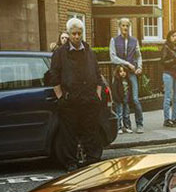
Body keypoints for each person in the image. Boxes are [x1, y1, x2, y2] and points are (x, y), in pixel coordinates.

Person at [47, 18, 104, 171]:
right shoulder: (60, 53)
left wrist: (97, 94)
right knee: (68, 134)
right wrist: (60, 97)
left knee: (90, 132)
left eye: (79, 33)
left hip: (89, 100)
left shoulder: (89, 52)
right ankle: (71, 163)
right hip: (69, 101)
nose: (77, 36)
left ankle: (92, 160)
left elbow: (98, 75)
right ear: (69, 34)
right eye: (74, 34)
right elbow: (54, 77)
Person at [109, 18, 144, 133]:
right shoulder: (114, 40)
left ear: (129, 27)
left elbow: (138, 55)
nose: (125, 28)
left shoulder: (134, 41)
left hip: (131, 73)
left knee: (135, 99)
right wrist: (127, 63)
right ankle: (119, 126)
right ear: (119, 27)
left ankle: (139, 124)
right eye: (123, 25)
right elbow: (113, 57)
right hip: (119, 74)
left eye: (127, 26)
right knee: (119, 100)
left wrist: (139, 67)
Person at [161, 30, 176, 128]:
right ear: (169, 37)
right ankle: (166, 120)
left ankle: (174, 119)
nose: (175, 38)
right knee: (168, 97)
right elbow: (163, 62)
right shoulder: (165, 47)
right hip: (168, 73)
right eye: (173, 36)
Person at [111, 65, 131, 134]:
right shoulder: (116, 81)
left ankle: (127, 127)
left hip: (126, 99)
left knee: (126, 114)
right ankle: (119, 127)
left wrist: (129, 98)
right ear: (117, 73)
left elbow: (130, 90)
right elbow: (114, 91)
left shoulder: (128, 80)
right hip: (119, 100)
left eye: (124, 71)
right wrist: (117, 99)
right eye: (120, 71)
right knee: (119, 114)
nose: (123, 73)